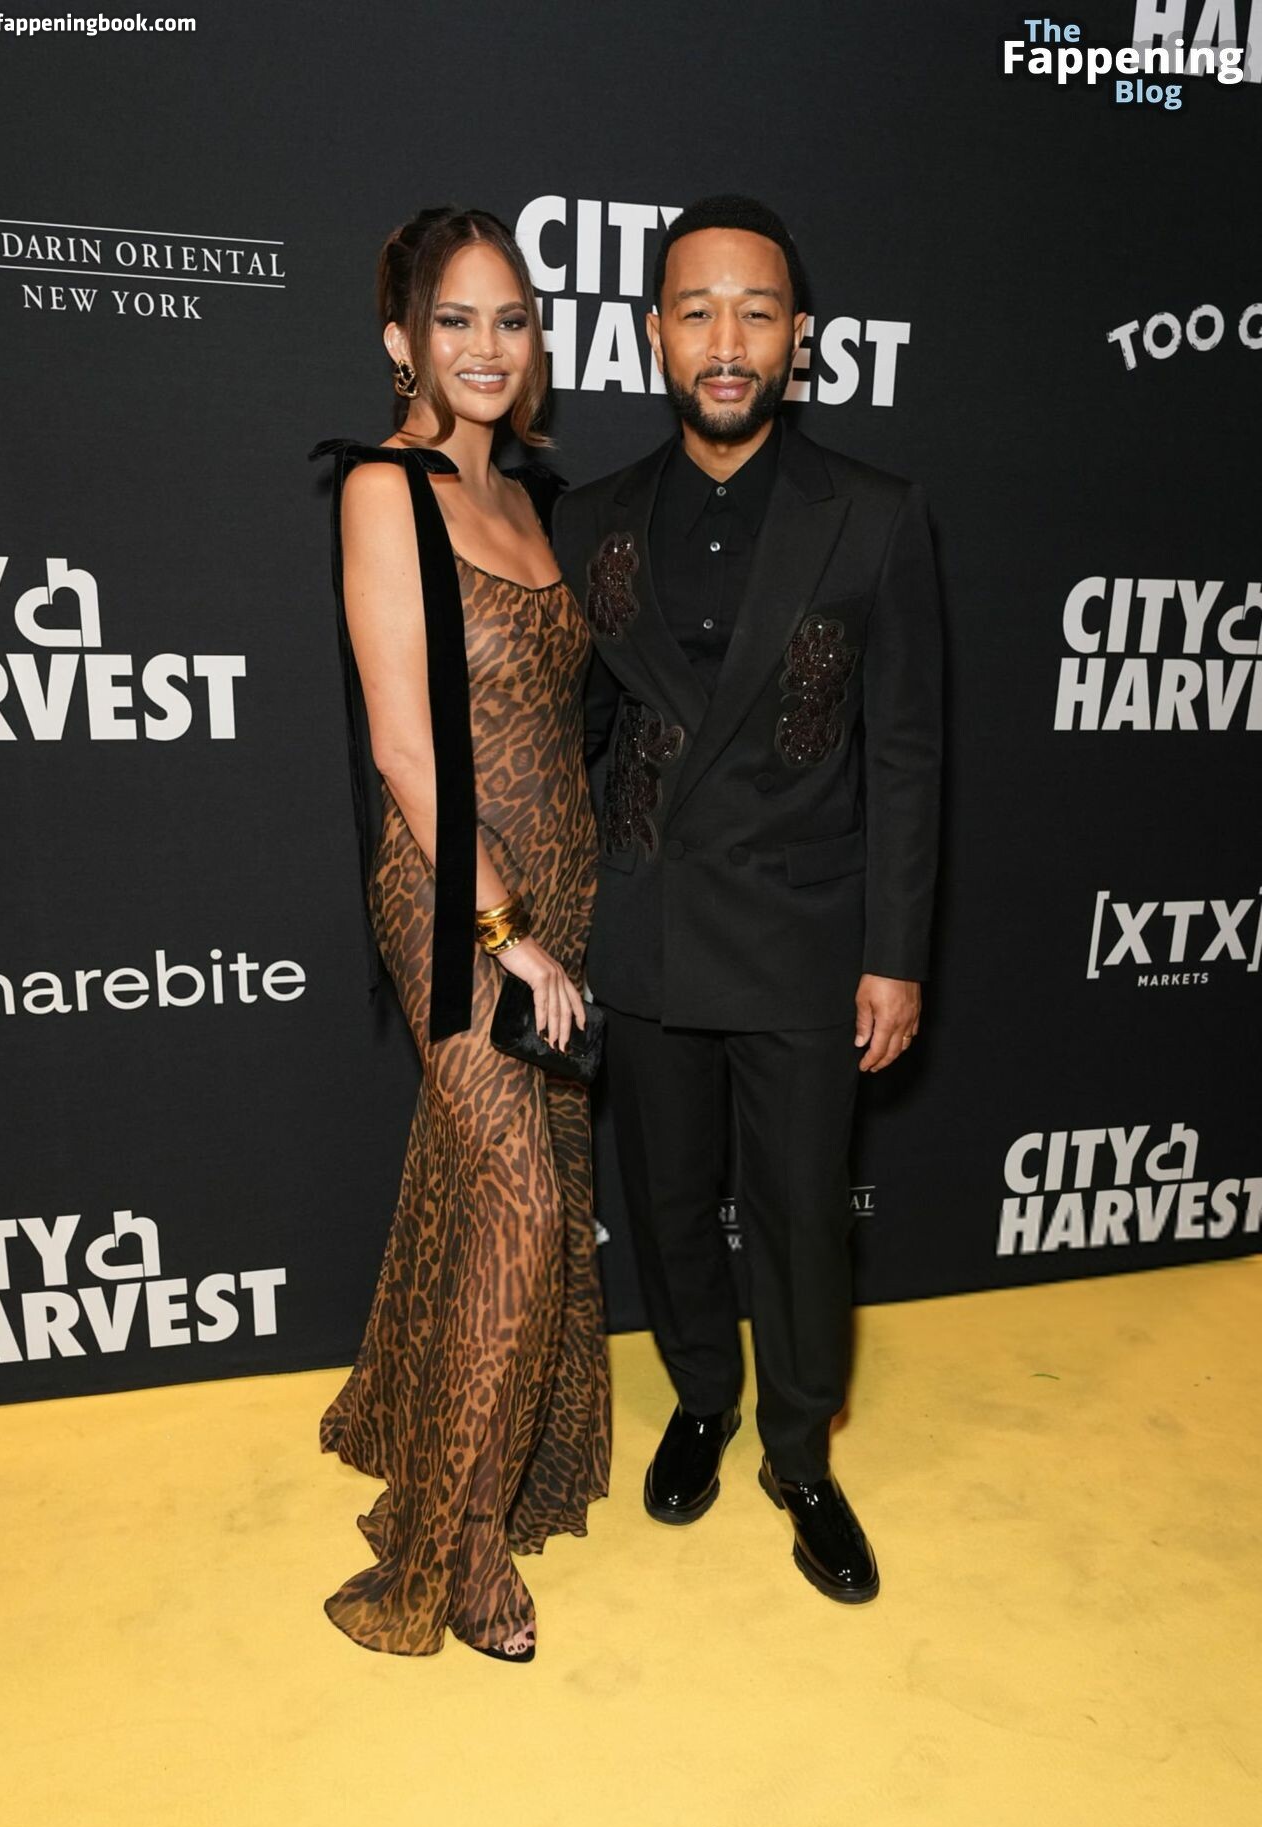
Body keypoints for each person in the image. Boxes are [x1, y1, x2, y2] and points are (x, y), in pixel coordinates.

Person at [554, 194, 942, 1605]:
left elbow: (905, 752)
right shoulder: (590, 518)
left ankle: (798, 1453)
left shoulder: (875, 515)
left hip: (802, 927)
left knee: (798, 1212)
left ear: (799, 338)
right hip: (648, 922)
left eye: (756, 313)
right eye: (698, 311)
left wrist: (895, 954)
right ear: (654, 334)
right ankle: (704, 1400)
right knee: (666, 1196)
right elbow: (574, 738)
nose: (727, 342)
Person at [310, 207, 609, 1661]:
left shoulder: (533, 498)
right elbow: (408, 746)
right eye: (455, 320)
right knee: (523, 1199)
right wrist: (505, 932)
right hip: (453, 894)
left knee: (494, 1192)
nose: (488, 347)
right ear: (400, 339)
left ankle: (421, 1422)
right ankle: (460, 1542)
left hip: (567, 884)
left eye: (511, 319)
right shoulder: (387, 488)